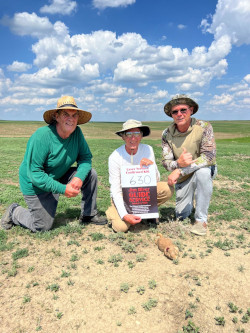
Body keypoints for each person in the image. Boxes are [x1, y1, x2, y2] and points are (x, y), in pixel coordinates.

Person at [1, 96, 106, 232]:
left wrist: (78, 177)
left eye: (74, 115)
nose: (71, 119)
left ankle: (89, 214)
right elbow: (36, 174)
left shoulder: (77, 133)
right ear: (56, 116)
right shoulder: (42, 136)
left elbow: (85, 158)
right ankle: (14, 211)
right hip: (35, 183)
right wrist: (63, 189)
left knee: (90, 174)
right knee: (42, 226)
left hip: (58, 174)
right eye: (65, 114)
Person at [162, 94, 217, 236]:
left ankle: (201, 220)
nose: (179, 114)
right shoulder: (167, 134)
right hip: (184, 177)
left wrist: (180, 170)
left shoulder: (204, 127)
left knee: (203, 173)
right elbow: (166, 163)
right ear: (171, 114)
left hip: (199, 171)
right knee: (181, 216)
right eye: (175, 111)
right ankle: (190, 206)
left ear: (191, 110)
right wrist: (177, 163)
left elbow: (209, 157)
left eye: (183, 110)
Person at [106, 119, 174, 232]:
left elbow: (156, 180)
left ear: (141, 136)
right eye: (128, 134)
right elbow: (115, 190)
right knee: (120, 228)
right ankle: (115, 211)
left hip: (144, 193)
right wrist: (124, 215)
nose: (133, 138)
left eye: (137, 134)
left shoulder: (148, 149)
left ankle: (147, 211)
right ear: (123, 137)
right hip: (123, 196)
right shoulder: (114, 157)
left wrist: (152, 167)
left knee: (167, 189)